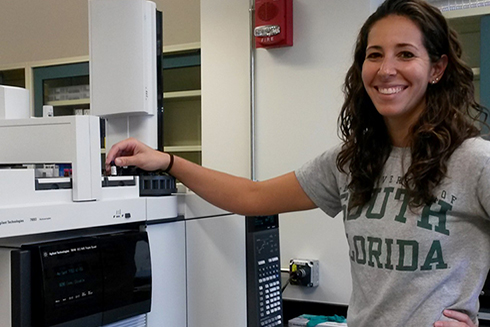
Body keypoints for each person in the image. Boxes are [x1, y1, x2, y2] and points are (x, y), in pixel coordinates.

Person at [105, 0, 490, 326]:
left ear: (437, 69)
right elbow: (252, 197)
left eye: (406, 54)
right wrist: (169, 162)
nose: (386, 69)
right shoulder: (353, 161)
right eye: (375, 55)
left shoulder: (473, 161)